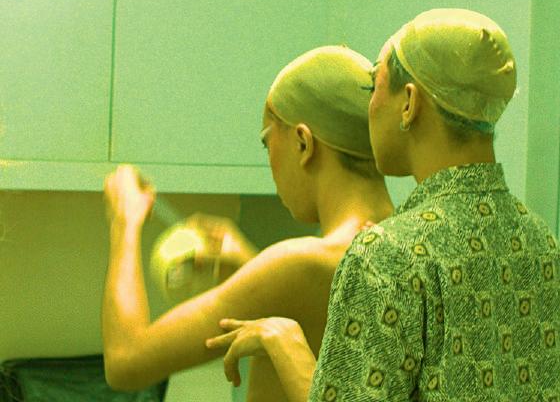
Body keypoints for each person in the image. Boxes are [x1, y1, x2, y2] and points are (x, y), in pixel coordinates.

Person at [207, 9, 560, 401]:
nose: (369, 107)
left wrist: (284, 341)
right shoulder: (549, 254)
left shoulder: (387, 256)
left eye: (374, 85)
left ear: (409, 102)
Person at [102, 45, 394, 401]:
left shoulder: (303, 264)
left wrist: (124, 221)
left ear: (303, 143)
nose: (270, 161)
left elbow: (126, 360)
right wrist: (252, 267)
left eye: (267, 142)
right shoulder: (402, 243)